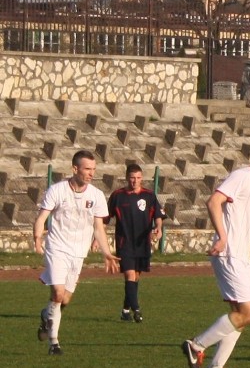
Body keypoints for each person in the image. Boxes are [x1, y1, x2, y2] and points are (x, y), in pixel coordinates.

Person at [181, 136, 250, 368]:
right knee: (249, 313)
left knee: (240, 315)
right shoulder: (242, 177)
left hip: (241, 256)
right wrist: (223, 236)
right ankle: (196, 346)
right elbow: (213, 201)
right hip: (229, 255)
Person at [33, 150, 119, 355]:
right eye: (87, 169)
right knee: (58, 293)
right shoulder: (57, 190)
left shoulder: (96, 195)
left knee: (65, 300)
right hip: (57, 248)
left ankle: (47, 315)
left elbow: (99, 227)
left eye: (93, 169)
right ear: (75, 168)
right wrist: (37, 239)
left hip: (78, 253)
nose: (91, 173)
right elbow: (41, 218)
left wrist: (106, 252)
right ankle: (54, 343)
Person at [106, 163, 166, 323]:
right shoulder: (118, 196)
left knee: (136, 277)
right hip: (124, 242)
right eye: (132, 178)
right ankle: (137, 310)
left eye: (138, 178)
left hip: (142, 243)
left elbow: (158, 216)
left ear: (142, 178)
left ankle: (125, 311)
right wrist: (97, 238)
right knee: (130, 275)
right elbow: (105, 218)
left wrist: (158, 228)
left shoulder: (149, 195)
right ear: (127, 178)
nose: (135, 181)